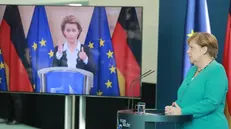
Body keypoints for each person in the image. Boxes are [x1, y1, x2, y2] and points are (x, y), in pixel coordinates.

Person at [165, 32, 229, 129]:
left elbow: (211, 102)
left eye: (192, 48)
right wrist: (175, 107)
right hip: (187, 125)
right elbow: (189, 97)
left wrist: (182, 111)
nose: (188, 51)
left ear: (204, 50)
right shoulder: (193, 70)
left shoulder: (217, 70)